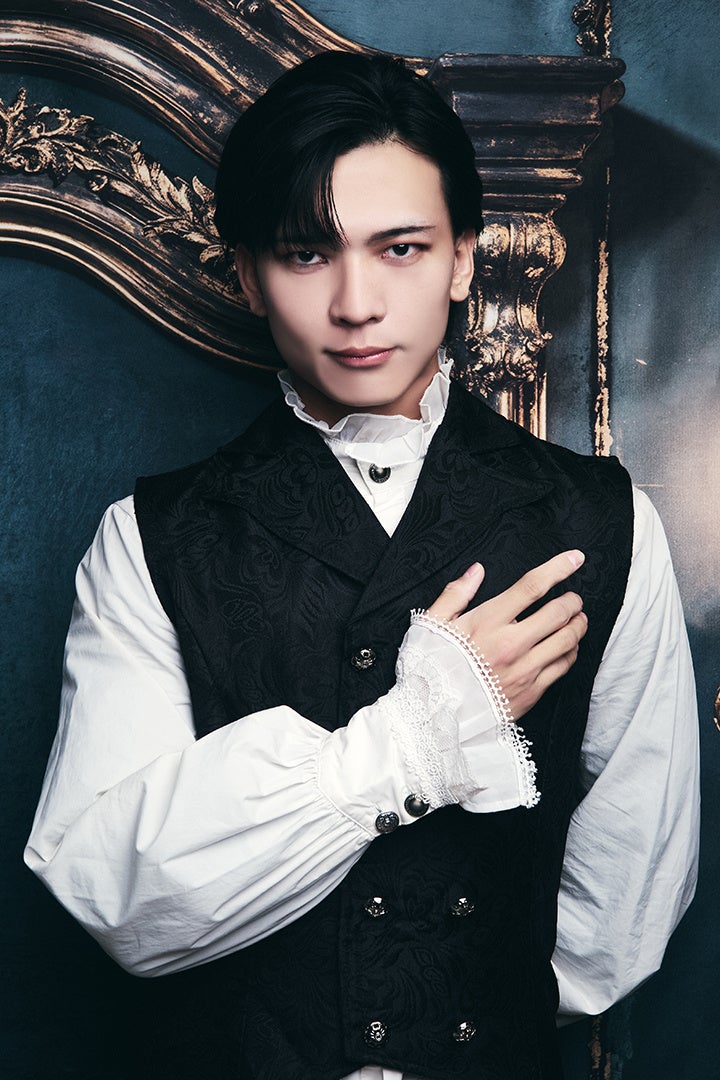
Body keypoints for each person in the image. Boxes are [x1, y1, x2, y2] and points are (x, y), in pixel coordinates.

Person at [25, 51, 699, 1080]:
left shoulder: (604, 522)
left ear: (464, 258)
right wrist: (412, 739)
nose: (355, 303)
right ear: (247, 275)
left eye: (401, 249)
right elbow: (115, 889)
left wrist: (473, 1022)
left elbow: (629, 890)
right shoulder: (149, 537)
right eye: (306, 254)